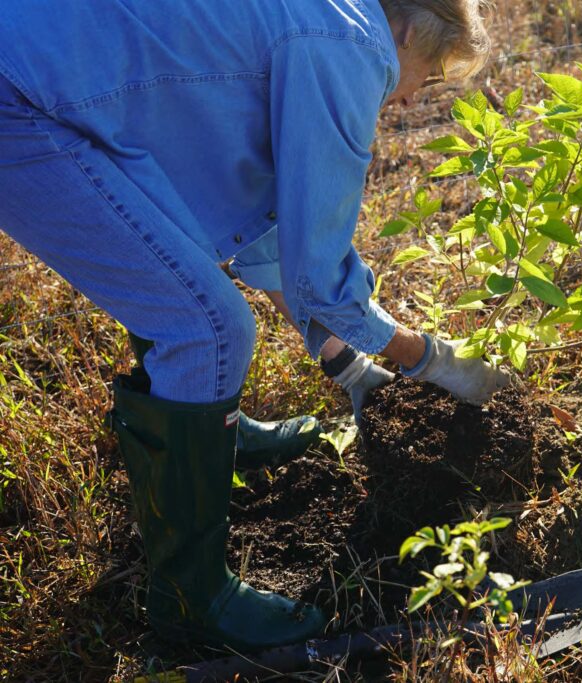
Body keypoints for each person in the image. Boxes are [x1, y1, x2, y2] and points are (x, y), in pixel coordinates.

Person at [0, 0, 507, 651]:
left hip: (38, 60)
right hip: (21, 94)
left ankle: (217, 438)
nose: (410, 102)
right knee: (208, 326)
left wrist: (351, 371)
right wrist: (431, 358)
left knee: (175, 266)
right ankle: (192, 599)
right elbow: (321, 279)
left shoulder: (324, 14)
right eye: (427, 79)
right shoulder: (354, 48)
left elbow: (273, 247)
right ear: (407, 30)